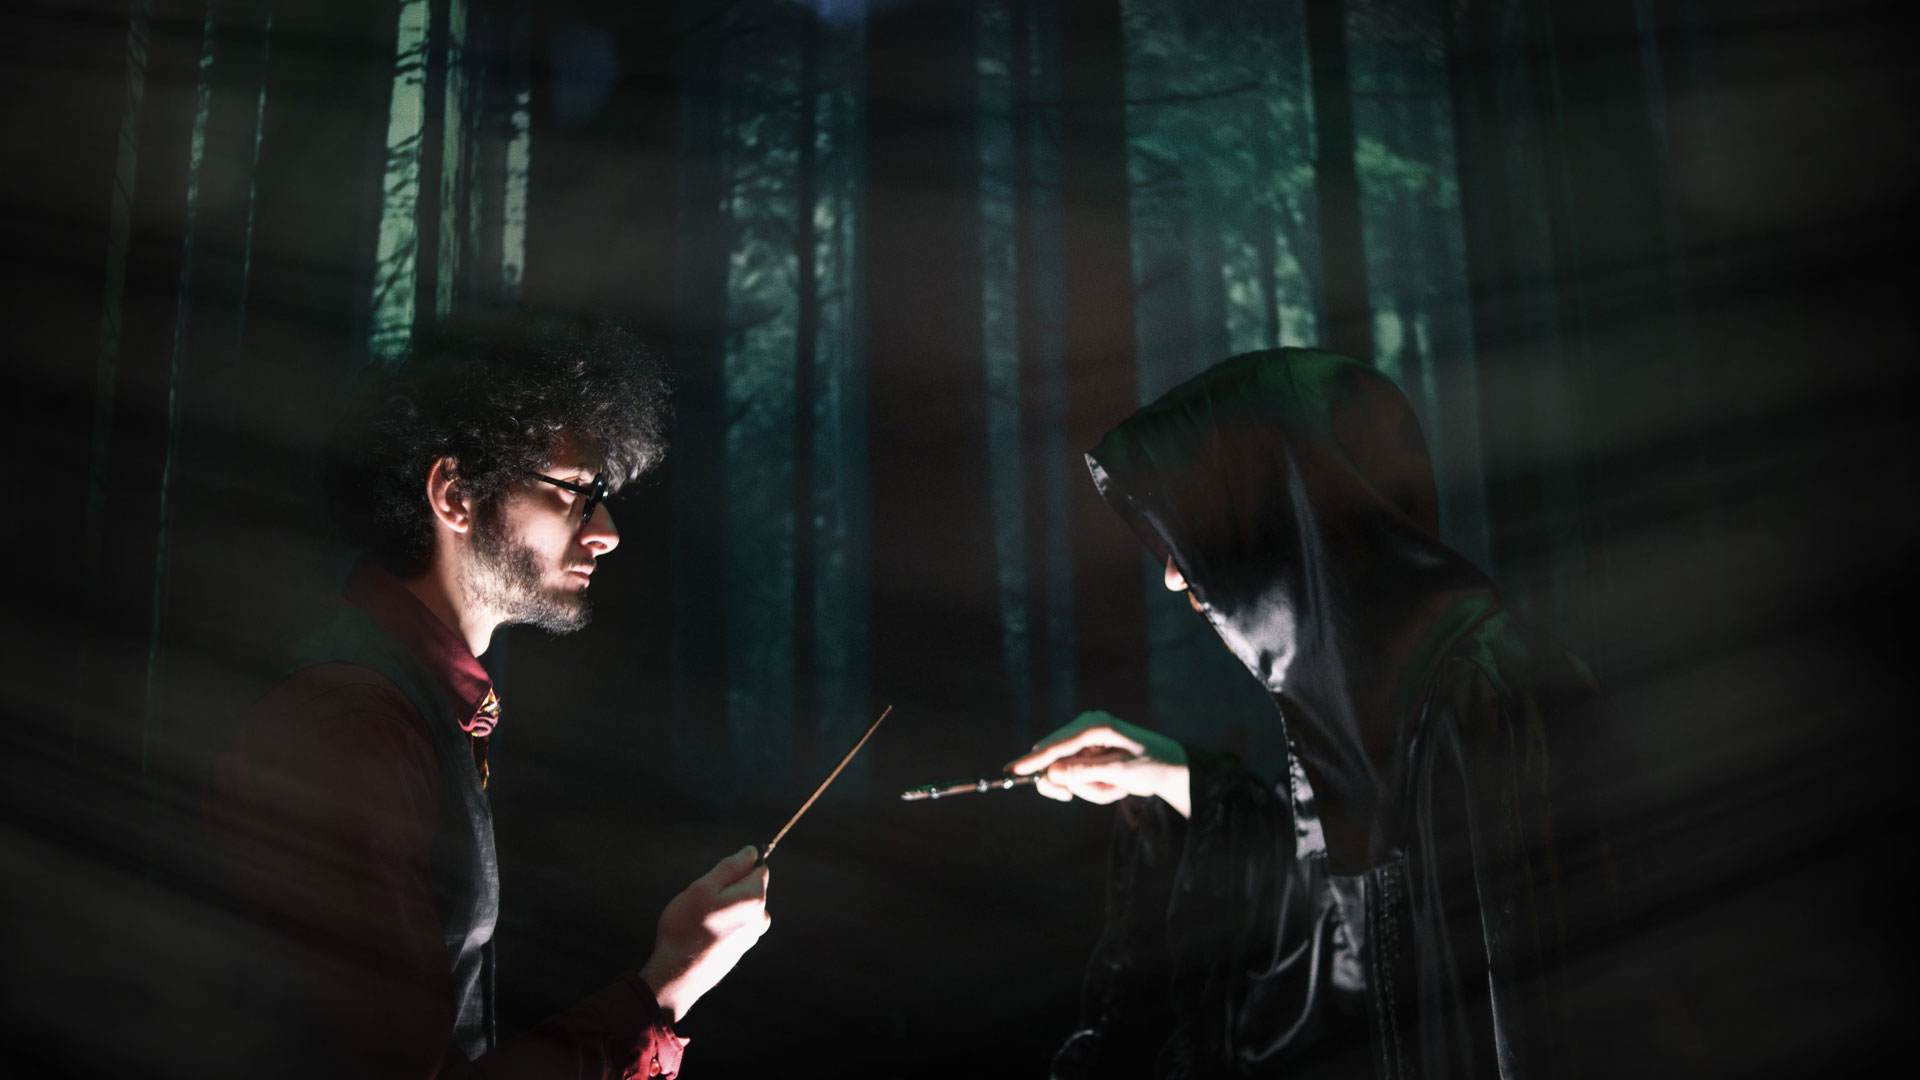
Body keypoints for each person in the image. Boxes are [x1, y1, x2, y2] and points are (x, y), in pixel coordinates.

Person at [1007, 349, 1629, 1078]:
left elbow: (1544, 1013)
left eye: (1199, 529)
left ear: (1298, 514)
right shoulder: (1369, 716)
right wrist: (1170, 776)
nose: (1175, 577)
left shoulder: (1492, 702)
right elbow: (1333, 917)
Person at [206, 312, 769, 1079]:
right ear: (455, 495)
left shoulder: (421, 704)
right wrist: (669, 984)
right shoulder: (356, 725)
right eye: (576, 493)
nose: (605, 530)